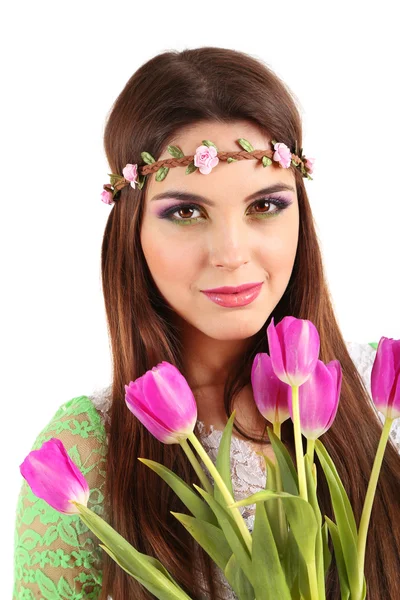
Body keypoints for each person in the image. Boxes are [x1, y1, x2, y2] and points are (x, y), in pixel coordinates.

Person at [13, 47, 400, 600]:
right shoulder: (89, 452)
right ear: (132, 231)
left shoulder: (386, 394)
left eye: (264, 205)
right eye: (186, 212)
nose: (231, 253)